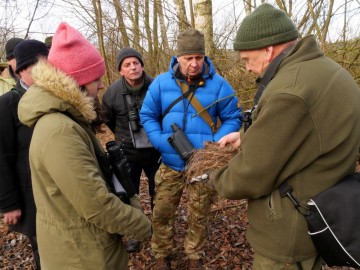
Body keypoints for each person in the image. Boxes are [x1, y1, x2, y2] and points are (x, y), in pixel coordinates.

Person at [210, 3, 360, 270]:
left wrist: (215, 177)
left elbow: (253, 172)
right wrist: (245, 135)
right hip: (321, 215)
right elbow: (304, 133)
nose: (246, 69)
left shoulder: (288, 91)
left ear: (268, 50)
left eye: (246, 59)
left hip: (289, 235)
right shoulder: (330, 71)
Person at [17, 22, 151, 269]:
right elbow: (96, 204)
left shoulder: (63, 120)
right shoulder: (60, 131)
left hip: (84, 246)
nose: (101, 86)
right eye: (96, 79)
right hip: (82, 255)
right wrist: (142, 226)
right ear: (77, 82)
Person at [140, 28, 241, 270]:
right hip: (170, 162)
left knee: (200, 215)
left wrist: (213, 146)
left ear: (204, 57)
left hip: (203, 165)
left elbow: (232, 118)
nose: (194, 64)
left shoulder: (220, 86)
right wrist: (161, 140)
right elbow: (147, 115)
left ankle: (194, 255)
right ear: (178, 57)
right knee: (162, 212)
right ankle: (162, 253)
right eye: (188, 58)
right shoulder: (161, 84)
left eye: (199, 57)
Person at [102, 47, 161, 252]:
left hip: (156, 152)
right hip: (128, 153)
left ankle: (158, 231)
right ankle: (136, 232)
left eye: (136, 63)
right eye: (127, 65)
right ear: (120, 70)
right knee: (130, 194)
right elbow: (108, 119)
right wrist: (124, 138)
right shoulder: (112, 93)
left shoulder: (157, 86)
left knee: (159, 193)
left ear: (142, 65)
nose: (132, 67)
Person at [0, 39, 49, 270]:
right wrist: (9, 203)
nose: (45, 69)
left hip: (59, 189)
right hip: (31, 195)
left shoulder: (55, 96)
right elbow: (1, 157)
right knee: (45, 252)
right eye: (39, 65)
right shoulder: (7, 104)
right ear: (21, 70)